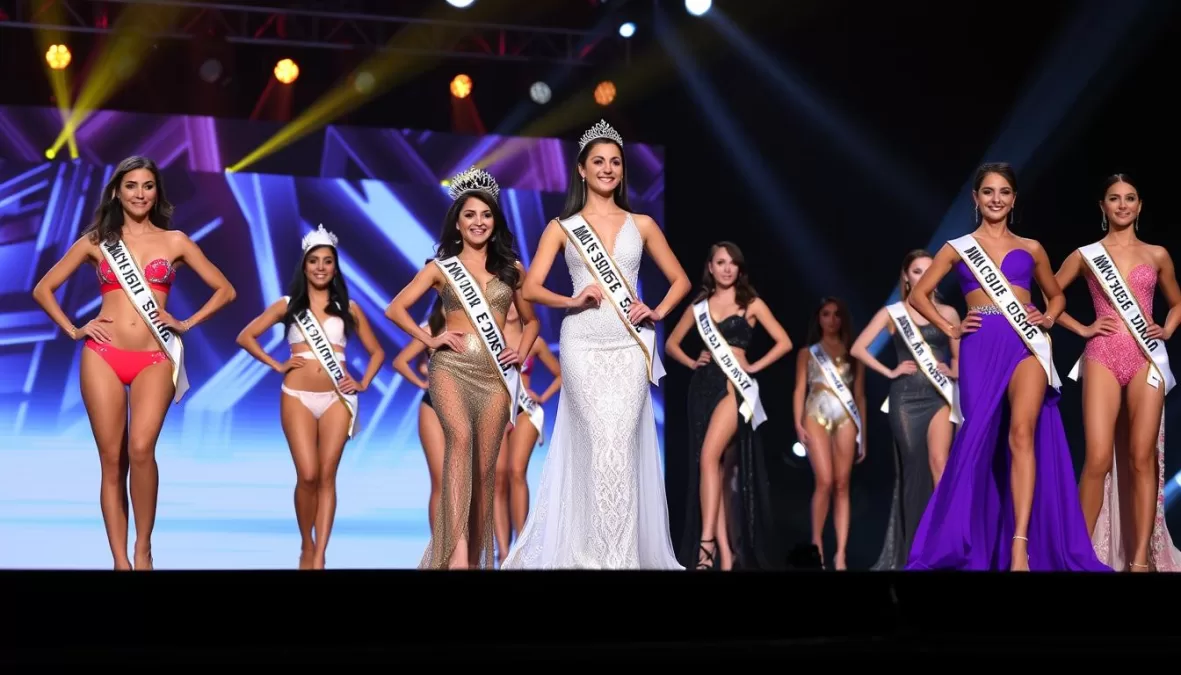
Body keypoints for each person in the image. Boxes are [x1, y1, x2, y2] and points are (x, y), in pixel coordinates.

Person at [501, 119, 691, 570]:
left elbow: (681, 279)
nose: (608, 169)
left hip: (627, 347)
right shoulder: (563, 227)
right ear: (582, 170)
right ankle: (587, 553)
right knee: (595, 443)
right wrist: (571, 298)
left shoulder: (641, 224)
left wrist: (657, 310)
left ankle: (617, 555)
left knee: (620, 443)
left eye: (616, 162)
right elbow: (530, 290)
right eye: (599, 162)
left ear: (623, 171)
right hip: (583, 345)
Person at [31, 155, 236, 570]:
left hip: (155, 356)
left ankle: (144, 548)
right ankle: (120, 562)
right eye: (131, 186)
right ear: (116, 192)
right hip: (103, 355)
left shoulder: (175, 240)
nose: (140, 194)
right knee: (112, 459)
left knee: (141, 449)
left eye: (147, 186)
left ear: (156, 191)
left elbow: (225, 290)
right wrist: (74, 329)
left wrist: (184, 322)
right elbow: (43, 288)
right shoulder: (96, 242)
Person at [904, 161, 1108, 572]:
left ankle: (1020, 547)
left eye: (1004, 192)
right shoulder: (957, 248)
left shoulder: (1032, 248)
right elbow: (918, 296)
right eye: (988, 192)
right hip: (981, 345)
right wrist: (951, 326)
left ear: (1014, 199)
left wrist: (1049, 319)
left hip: (1025, 345)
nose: (996, 199)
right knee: (978, 440)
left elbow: (1055, 297)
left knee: (1021, 434)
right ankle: (971, 540)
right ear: (976, 199)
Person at [385, 166, 538, 570]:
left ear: (495, 221)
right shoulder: (441, 268)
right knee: (460, 440)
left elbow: (533, 321)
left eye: (486, 215)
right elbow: (395, 308)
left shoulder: (513, 270)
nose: (478, 222)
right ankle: (454, 557)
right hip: (450, 369)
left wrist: (521, 350)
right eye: (470, 214)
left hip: (494, 380)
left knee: (485, 474)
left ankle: (473, 560)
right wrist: (431, 340)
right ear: (457, 221)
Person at [236, 224, 385, 569]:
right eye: (314, 261)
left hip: (338, 400)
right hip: (296, 396)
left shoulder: (349, 307)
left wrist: (361, 383)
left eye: (327, 261)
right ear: (304, 266)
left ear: (335, 267)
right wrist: (276, 364)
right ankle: (306, 542)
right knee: (307, 475)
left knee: (327, 476)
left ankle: (320, 556)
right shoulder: (287, 305)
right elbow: (246, 336)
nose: (320, 267)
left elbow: (377, 353)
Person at [1053, 173, 1181, 572]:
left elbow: (1177, 303)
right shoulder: (1085, 254)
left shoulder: (1157, 254)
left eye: (1130, 198)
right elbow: (1050, 297)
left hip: (1146, 358)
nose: (1122, 205)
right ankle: (1074, 555)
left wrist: (1170, 327)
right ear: (1103, 207)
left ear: (1139, 206)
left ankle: (1139, 560)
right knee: (1096, 459)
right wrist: (1082, 327)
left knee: (1142, 458)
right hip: (1102, 354)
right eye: (1114, 198)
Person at [664, 241, 793, 570]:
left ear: (739, 268)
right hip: (702, 388)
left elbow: (784, 342)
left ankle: (706, 547)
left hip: (735, 386)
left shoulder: (751, 303)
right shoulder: (700, 305)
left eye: (732, 263)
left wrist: (754, 365)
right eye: (720, 262)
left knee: (710, 457)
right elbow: (671, 344)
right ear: (710, 266)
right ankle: (722, 552)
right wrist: (693, 361)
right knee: (713, 469)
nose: (726, 268)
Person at [850, 249, 961, 570]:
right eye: (916, 270)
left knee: (940, 464)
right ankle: (915, 547)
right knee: (913, 472)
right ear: (906, 276)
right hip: (905, 397)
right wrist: (890, 371)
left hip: (940, 395)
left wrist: (955, 371)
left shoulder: (949, 313)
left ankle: (944, 542)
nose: (923, 275)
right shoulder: (893, 312)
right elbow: (858, 348)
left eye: (929, 270)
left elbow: (959, 358)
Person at [792, 296, 865, 570]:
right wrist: (797, 423)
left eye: (836, 314)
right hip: (815, 413)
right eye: (826, 314)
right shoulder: (807, 353)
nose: (831, 320)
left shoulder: (853, 351)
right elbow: (799, 389)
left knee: (842, 484)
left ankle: (841, 554)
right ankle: (817, 546)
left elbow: (860, 396)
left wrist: (863, 435)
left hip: (846, 417)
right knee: (824, 481)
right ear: (818, 318)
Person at [491, 302, 562, 565]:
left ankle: (521, 544)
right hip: (495, 412)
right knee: (498, 478)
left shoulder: (535, 342)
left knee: (516, 472)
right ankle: (503, 550)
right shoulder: (489, 335)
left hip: (526, 411)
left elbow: (560, 375)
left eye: (514, 301)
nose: (509, 306)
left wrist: (541, 396)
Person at [390, 300, 446, 534]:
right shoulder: (431, 327)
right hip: (433, 407)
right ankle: (440, 552)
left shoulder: (479, 322)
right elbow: (400, 362)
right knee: (441, 482)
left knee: (467, 484)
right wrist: (423, 382)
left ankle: (466, 550)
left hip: (470, 407)